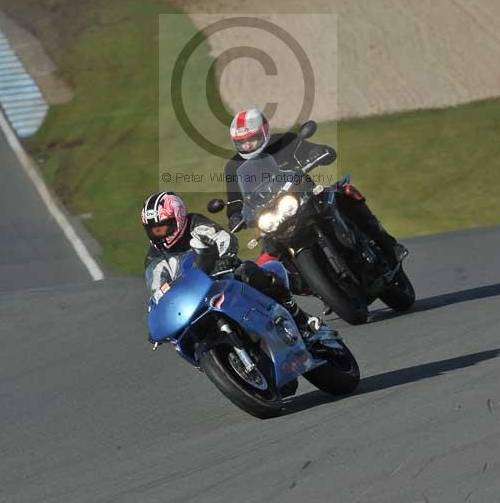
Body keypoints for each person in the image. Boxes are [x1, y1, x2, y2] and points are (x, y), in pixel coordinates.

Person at [224, 108, 408, 270]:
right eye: (242, 141)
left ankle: (389, 246)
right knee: (268, 259)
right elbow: (234, 201)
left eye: (252, 139)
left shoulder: (284, 141)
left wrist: (319, 152)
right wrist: (234, 216)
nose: (247, 145)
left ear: (264, 132)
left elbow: (312, 149)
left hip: (306, 196)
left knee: (344, 193)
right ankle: (305, 288)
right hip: (272, 217)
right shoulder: (233, 167)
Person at [142, 191, 324, 343]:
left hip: (222, 277)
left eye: (163, 228)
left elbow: (223, 238)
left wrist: (224, 258)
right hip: (193, 302)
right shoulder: (155, 258)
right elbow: (157, 291)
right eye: (153, 231)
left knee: (251, 273)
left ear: (179, 217)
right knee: (183, 336)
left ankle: (301, 319)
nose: (159, 235)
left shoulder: (195, 224)